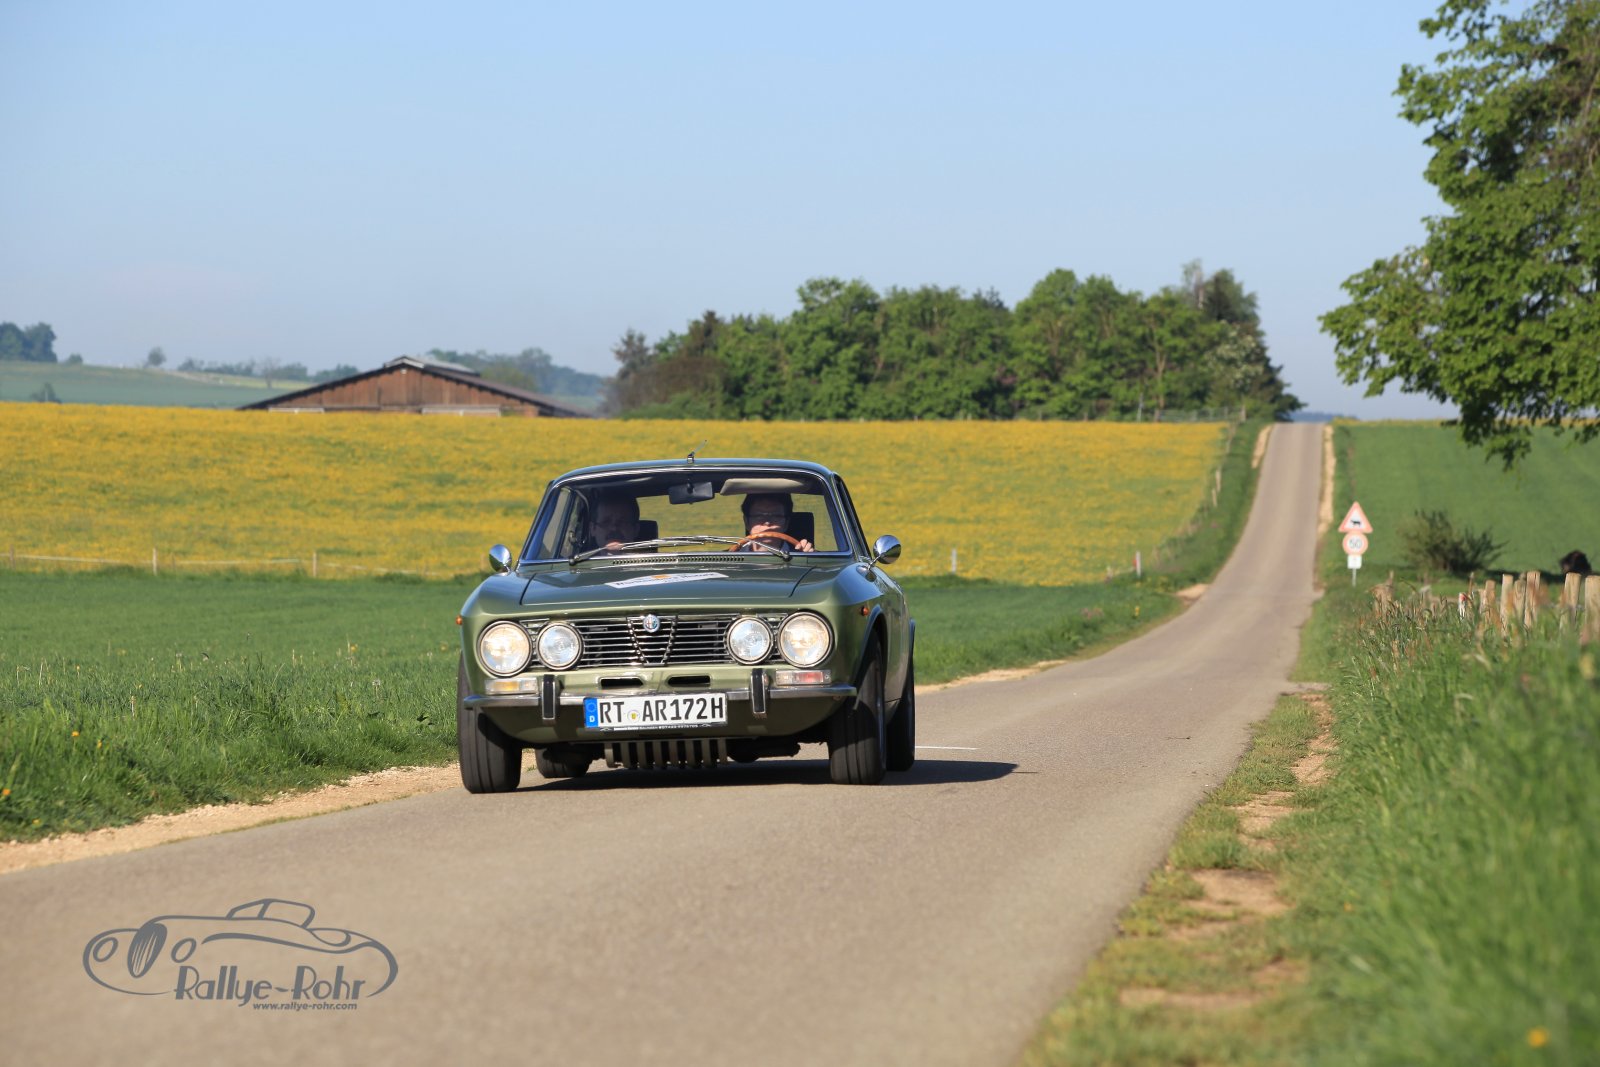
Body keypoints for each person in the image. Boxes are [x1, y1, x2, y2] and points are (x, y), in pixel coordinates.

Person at [738, 493, 813, 552]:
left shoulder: (802, 555)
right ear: (746, 522)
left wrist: (808, 558)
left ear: (786, 523)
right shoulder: (731, 559)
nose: (767, 522)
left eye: (776, 516)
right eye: (759, 516)